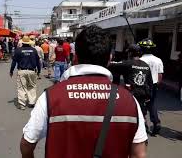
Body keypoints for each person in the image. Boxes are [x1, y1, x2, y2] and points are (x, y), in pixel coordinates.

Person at [20, 26, 147, 158]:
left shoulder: (51, 97)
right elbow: (139, 154)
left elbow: (27, 143)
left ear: (75, 57)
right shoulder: (129, 101)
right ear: (110, 58)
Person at [109, 44, 153, 131]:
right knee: (142, 113)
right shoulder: (146, 65)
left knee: (128, 113)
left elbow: (112, 65)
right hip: (143, 94)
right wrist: (149, 95)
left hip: (131, 93)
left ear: (130, 53)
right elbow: (150, 82)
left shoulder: (127, 63)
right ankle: (143, 128)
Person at [138, 38, 163, 136]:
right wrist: (156, 86)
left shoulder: (140, 60)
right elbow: (160, 76)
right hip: (154, 85)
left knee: (141, 104)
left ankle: (143, 124)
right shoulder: (158, 60)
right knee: (151, 103)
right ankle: (156, 122)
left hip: (142, 85)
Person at [10, 36, 41, 110]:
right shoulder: (34, 50)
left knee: (21, 87)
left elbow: (14, 62)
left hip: (22, 71)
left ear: (22, 42)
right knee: (32, 86)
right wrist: (39, 71)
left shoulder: (18, 50)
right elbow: (38, 62)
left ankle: (22, 104)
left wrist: (11, 71)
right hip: (32, 71)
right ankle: (32, 102)